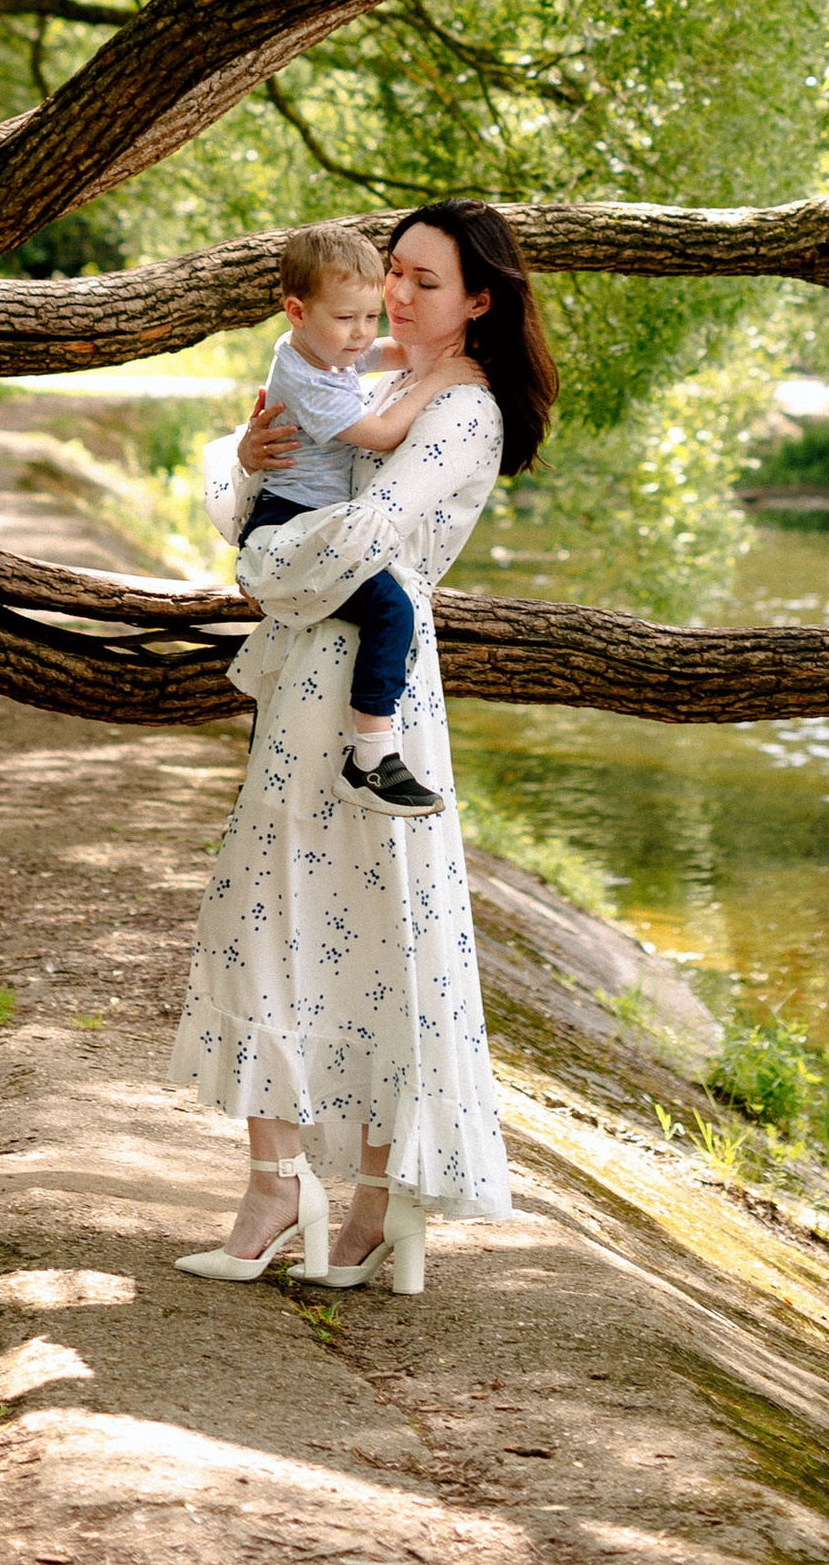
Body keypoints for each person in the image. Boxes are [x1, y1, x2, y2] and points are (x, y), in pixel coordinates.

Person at [166, 201, 557, 1299]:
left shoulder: (461, 410)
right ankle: (274, 1184)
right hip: (303, 689)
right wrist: (245, 464)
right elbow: (260, 482)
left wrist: (259, 562)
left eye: (426, 280)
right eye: (394, 272)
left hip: (370, 695)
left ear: (480, 298)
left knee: (371, 935)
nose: (398, 293)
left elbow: (359, 541)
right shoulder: (369, 370)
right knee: (269, 922)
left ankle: (376, 1206)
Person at [239, 223, 449, 814]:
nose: (363, 335)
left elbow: (375, 354)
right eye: (346, 320)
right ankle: (370, 759)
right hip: (292, 530)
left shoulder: (316, 350)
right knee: (390, 608)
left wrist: (426, 349)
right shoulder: (310, 380)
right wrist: (443, 378)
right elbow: (381, 435)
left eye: (370, 316)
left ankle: (368, 755)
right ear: (296, 311)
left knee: (384, 606)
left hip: (308, 524)